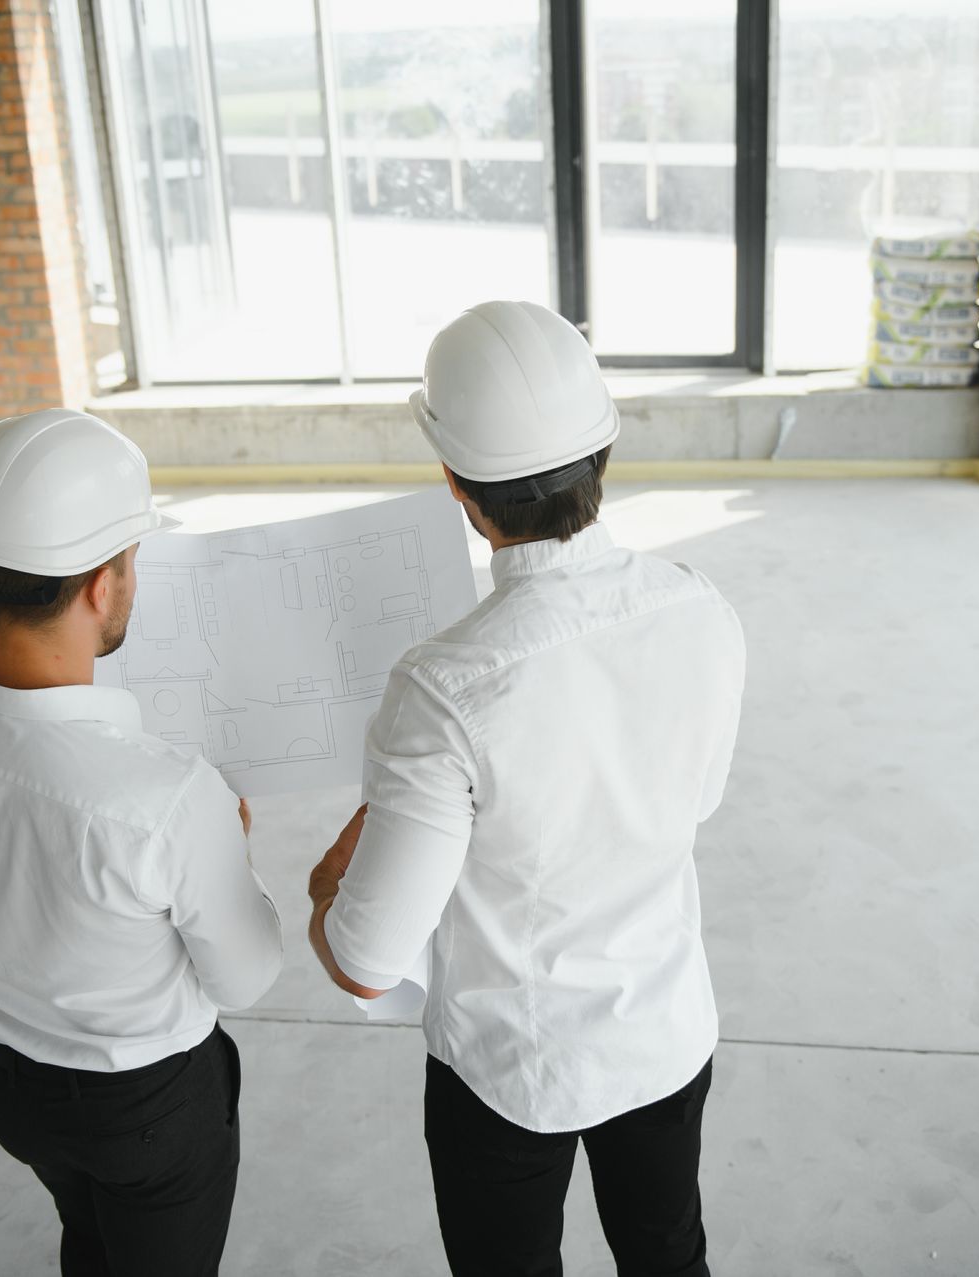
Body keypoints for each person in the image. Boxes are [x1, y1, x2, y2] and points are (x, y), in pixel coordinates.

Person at [306, 301, 746, 1277]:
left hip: (512, 1067)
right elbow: (694, 802)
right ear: (604, 448)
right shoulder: (701, 608)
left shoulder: (442, 686)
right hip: (663, 1032)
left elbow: (366, 959)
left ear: (456, 483)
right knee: (668, 1251)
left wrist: (327, 882)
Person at [0, 409, 281, 1277]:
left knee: (86, 1234)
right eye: (131, 560)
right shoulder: (165, 795)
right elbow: (246, 973)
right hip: (151, 1109)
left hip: (12, 1090)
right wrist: (230, 855)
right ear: (101, 586)